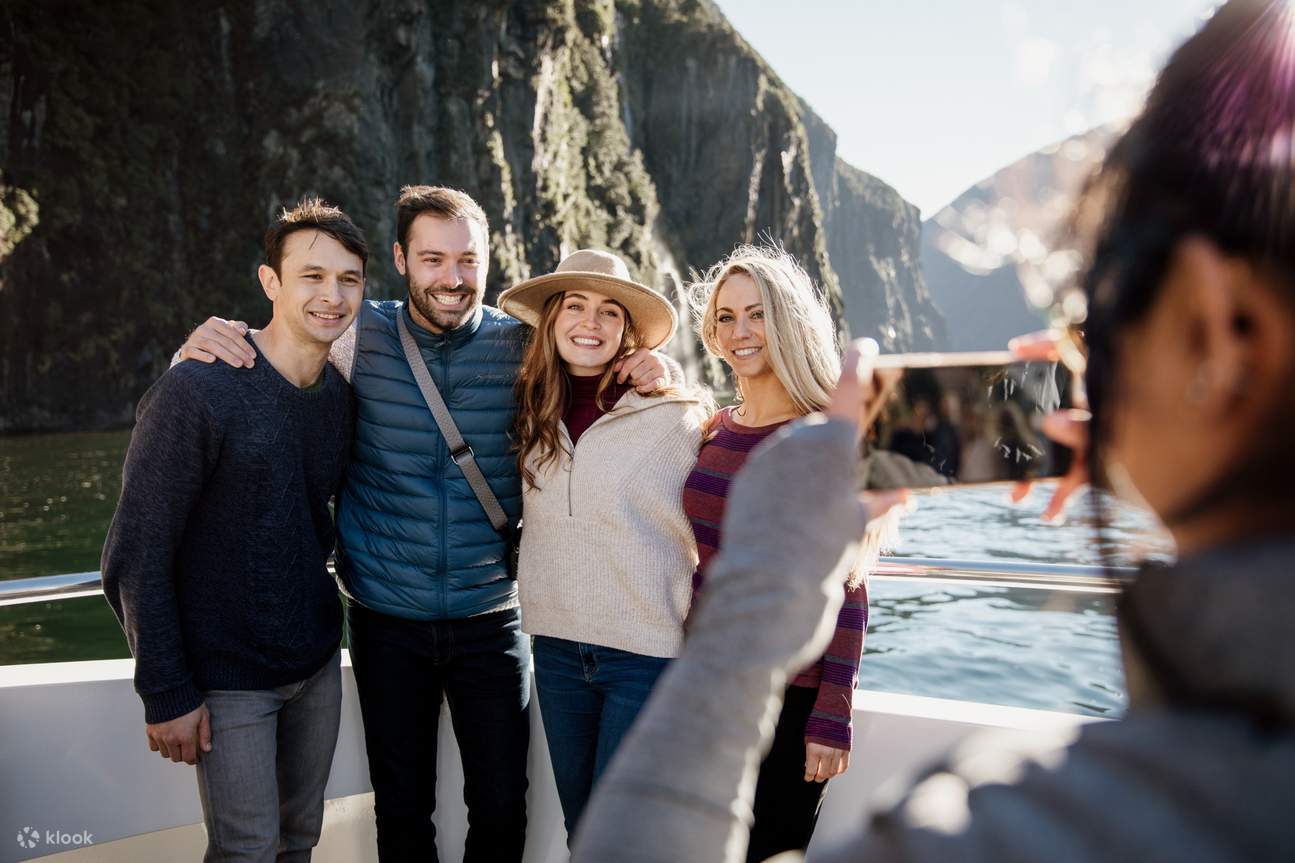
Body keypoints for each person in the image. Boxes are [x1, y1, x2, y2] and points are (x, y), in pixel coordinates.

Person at [572, 1, 1295, 860]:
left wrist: (758, 615)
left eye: (1084, 314)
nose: (1058, 359)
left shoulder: (1013, 827)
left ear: (1220, 326)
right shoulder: (714, 422)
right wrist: (1145, 428)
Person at [175, 186, 673, 862]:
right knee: (403, 809)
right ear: (401, 259)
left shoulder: (523, 346)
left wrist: (655, 364)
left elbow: (594, 364)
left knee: (501, 808)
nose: (453, 277)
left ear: (488, 262)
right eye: (433, 259)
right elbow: (280, 344)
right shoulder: (354, 333)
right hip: (385, 619)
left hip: (491, 619)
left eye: (468, 261)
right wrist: (198, 345)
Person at [101, 198, 366, 862]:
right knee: (245, 849)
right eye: (311, 276)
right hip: (227, 679)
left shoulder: (338, 399)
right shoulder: (197, 388)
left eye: (348, 279)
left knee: (300, 840)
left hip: (314, 665)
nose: (331, 295)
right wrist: (165, 688)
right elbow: (136, 549)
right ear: (270, 282)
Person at [496, 248, 710, 841]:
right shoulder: (527, 408)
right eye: (575, 306)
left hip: (645, 655)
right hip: (558, 651)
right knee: (580, 831)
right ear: (551, 319)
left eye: (609, 312)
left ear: (628, 333)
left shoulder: (676, 414)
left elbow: (721, 500)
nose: (590, 323)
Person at [684, 245, 869, 861]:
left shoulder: (820, 435)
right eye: (727, 316)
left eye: (757, 314)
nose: (741, 332)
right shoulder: (714, 431)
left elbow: (850, 586)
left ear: (787, 321)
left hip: (791, 699)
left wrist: (832, 716)